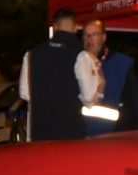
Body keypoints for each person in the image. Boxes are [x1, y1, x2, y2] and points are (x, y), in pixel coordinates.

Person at [18, 8, 89, 141]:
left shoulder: (32, 54)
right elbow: (89, 96)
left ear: (55, 27)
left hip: (40, 132)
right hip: (70, 133)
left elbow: (25, 93)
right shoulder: (81, 55)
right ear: (75, 28)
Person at [82, 21, 130, 136]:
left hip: (113, 138)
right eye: (86, 35)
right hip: (81, 137)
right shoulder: (77, 63)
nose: (90, 39)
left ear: (103, 37)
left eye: (95, 35)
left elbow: (131, 108)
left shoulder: (123, 64)